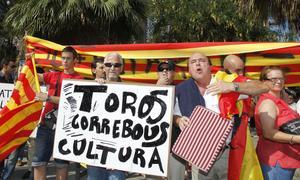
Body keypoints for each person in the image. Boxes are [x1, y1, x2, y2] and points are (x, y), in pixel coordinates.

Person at [173, 52, 270, 180]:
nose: (197, 63)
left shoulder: (226, 81)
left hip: (226, 153)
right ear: (189, 69)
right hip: (198, 156)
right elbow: (175, 115)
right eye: (193, 62)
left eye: (201, 60)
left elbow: (263, 86)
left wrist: (232, 86)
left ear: (209, 66)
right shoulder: (181, 89)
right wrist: (179, 120)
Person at [33, 46, 83, 180]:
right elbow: (36, 76)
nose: (65, 61)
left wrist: (48, 98)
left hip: (64, 128)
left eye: (68, 58)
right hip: (45, 125)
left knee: (62, 165)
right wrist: (28, 64)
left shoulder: (79, 79)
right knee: (38, 163)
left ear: (75, 61)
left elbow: (72, 101)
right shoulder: (54, 74)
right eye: (63, 58)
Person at [254, 66, 300, 180]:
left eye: (281, 78)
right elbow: (268, 133)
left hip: (285, 158)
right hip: (276, 160)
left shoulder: (279, 101)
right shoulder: (268, 103)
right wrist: (296, 139)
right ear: (264, 81)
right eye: (273, 79)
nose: (278, 81)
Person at [87, 52, 125, 180]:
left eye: (117, 65)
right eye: (108, 64)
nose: (112, 68)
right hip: (95, 153)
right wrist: (94, 87)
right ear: (104, 67)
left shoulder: (132, 90)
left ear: (122, 68)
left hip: (118, 155)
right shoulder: (96, 86)